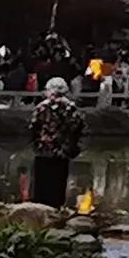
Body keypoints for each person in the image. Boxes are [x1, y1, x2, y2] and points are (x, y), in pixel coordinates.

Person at [26, 77, 82, 209]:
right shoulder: (70, 107)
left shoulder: (41, 107)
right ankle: (55, 209)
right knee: (57, 183)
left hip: (43, 151)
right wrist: (71, 147)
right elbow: (77, 128)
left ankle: (40, 208)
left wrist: (36, 144)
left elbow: (33, 128)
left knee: (41, 183)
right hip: (61, 151)